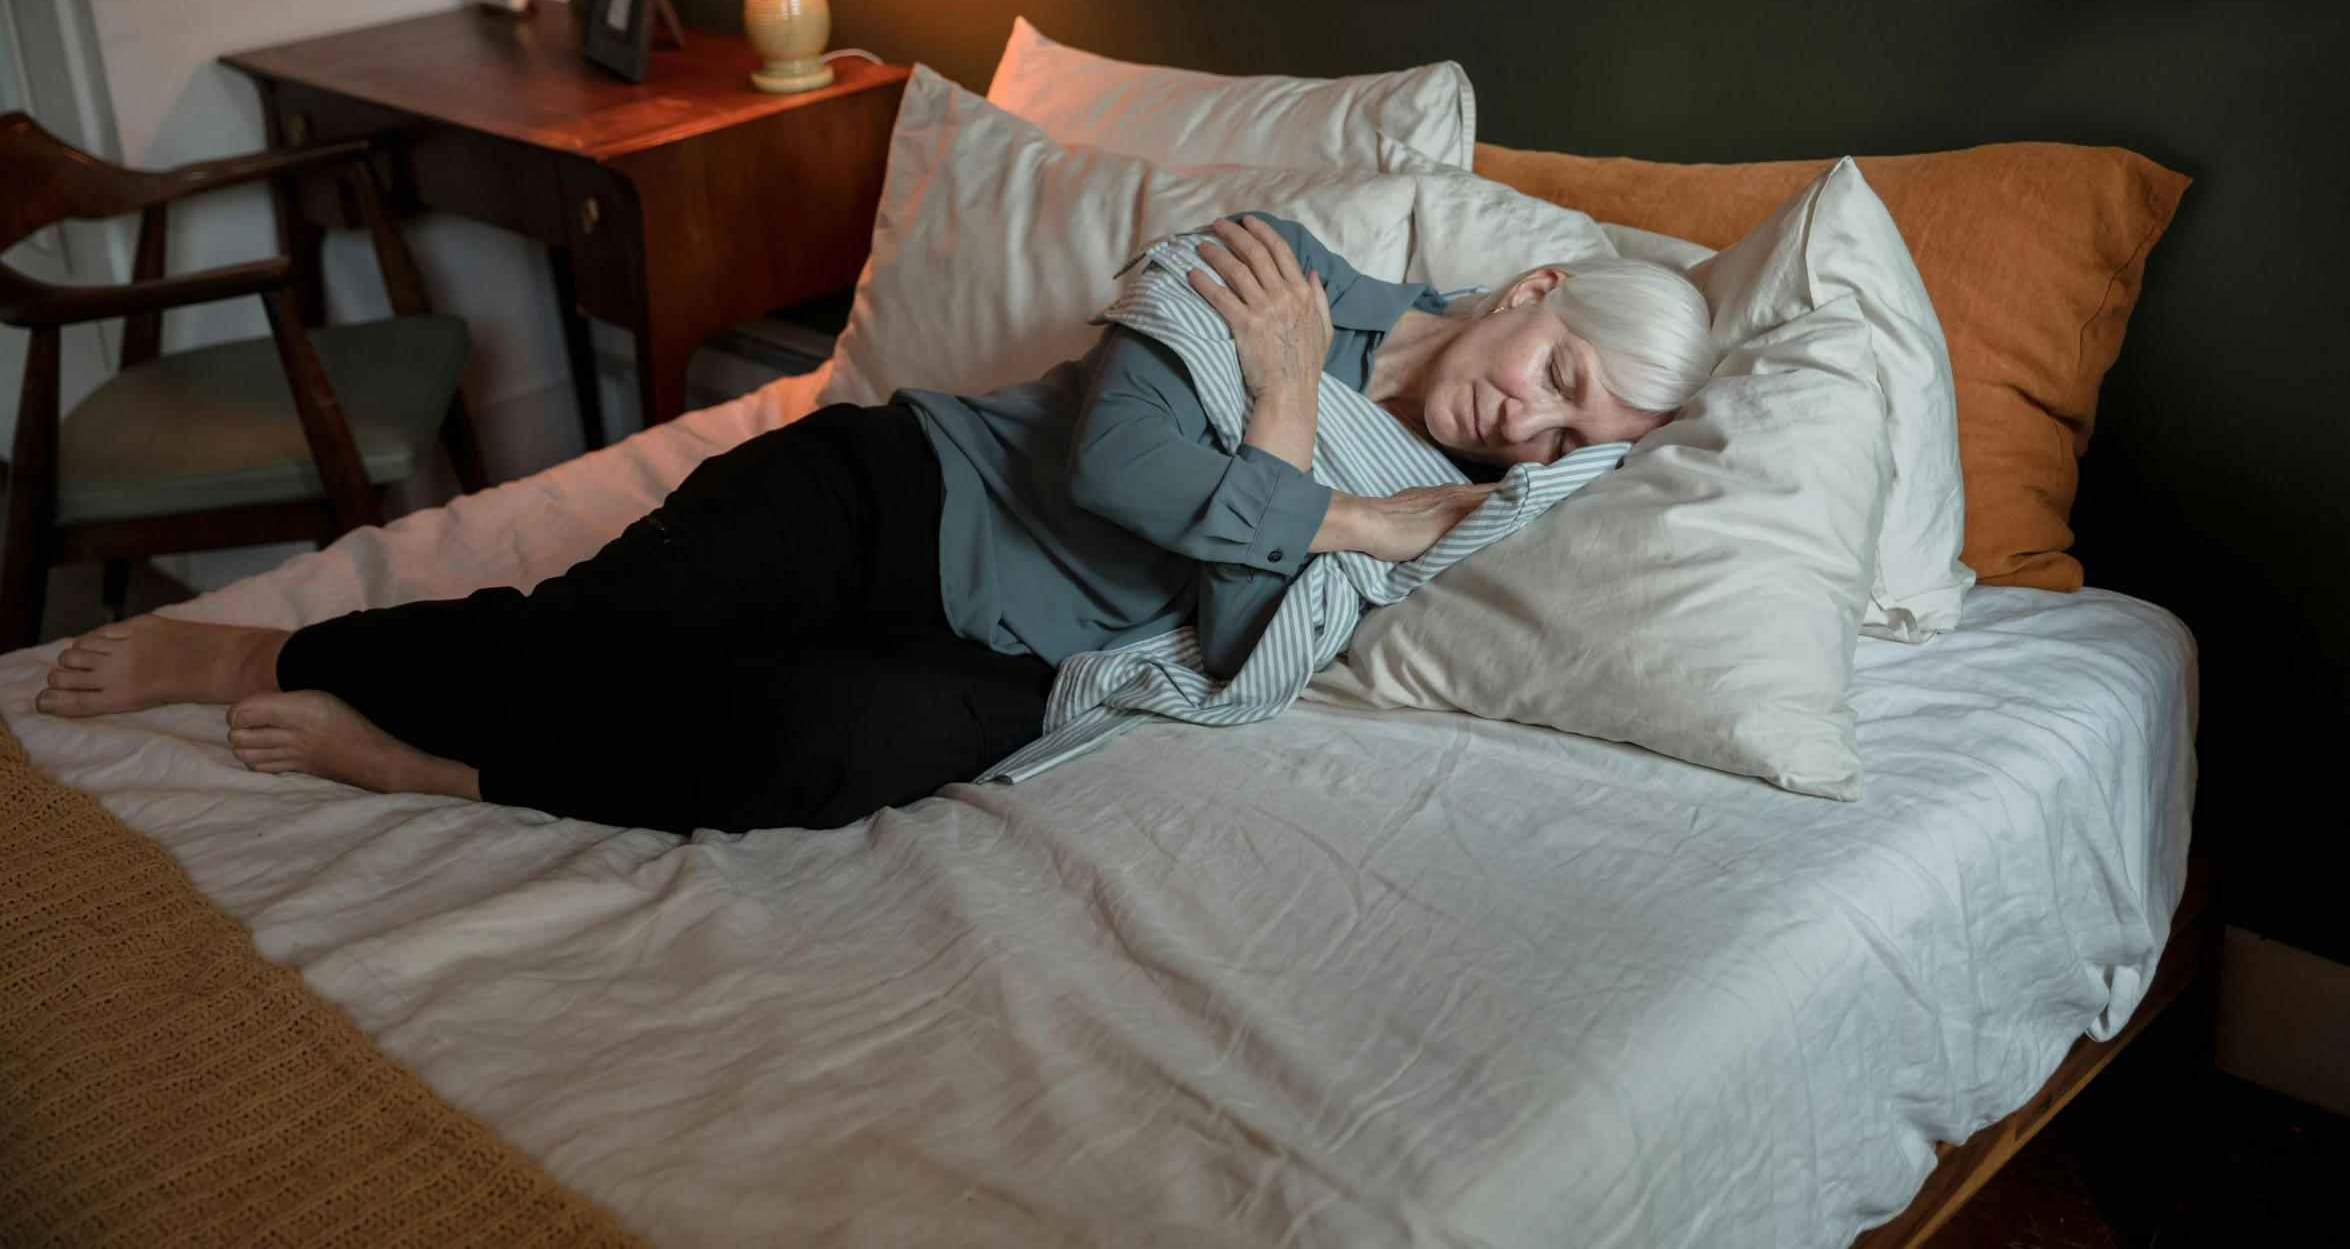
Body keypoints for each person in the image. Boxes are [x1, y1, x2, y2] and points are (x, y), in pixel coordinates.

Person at [38, 214, 1713, 834]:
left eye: (1571, 433)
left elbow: (1220, 645)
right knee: (595, 639)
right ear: (1532, 284)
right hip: (902, 489)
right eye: (1556, 368)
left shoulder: (1462, 504)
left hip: (1026, 649)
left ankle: (444, 774)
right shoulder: (1267, 270)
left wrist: (1307, 460)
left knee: (812, 754)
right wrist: (1310, 456)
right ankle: (257, 641)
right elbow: (1109, 478)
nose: (1529, 422)